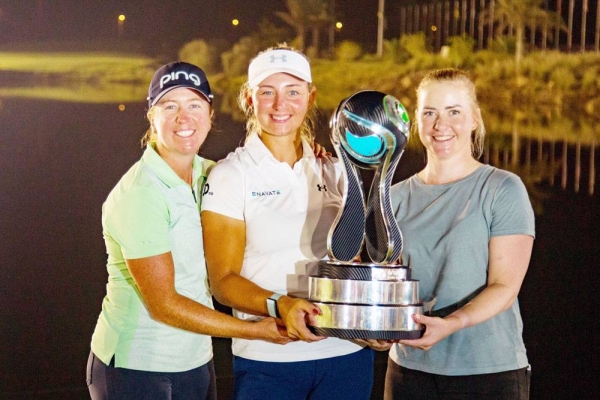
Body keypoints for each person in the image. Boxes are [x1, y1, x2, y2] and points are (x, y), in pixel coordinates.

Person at [87, 61, 291, 400]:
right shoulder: (141, 194)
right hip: (136, 369)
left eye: (195, 105)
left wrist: (310, 154)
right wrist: (254, 331)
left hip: (196, 361)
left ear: (211, 115)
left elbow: (271, 182)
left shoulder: (211, 174)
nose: (184, 118)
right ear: (152, 116)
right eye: (170, 106)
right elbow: (164, 304)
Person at [201, 45, 382, 400]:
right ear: (249, 99)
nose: (280, 104)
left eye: (293, 92)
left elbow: (352, 264)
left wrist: (372, 321)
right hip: (270, 360)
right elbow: (222, 283)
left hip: (346, 354)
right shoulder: (230, 175)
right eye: (267, 92)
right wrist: (280, 305)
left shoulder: (334, 168)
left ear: (310, 97)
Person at [384, 68, 535, 399]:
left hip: (487, 372)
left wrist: (453, 323)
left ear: (474, 120)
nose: (441, 125)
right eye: (430, 113)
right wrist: (376, 329)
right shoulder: (393, 197)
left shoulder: (502, 189)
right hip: (409, 370)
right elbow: (388, 282)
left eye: (454, 112)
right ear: (416, 122)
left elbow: (506, 286)